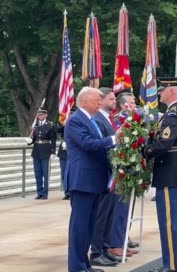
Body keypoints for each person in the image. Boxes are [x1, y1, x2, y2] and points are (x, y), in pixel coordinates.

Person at [142, 77, 177, 272]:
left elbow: (164, 144)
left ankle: (172, 266)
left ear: (171, 90)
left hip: (169, 169)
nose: (159, 93)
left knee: (170, 222)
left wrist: (143, 152)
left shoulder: (173, 114)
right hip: (176, 168)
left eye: (162, 89)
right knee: (176, 221)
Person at [64, 87, 116, 272]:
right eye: (97, 100)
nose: (100, 103)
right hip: (82, 181)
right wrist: (113, 139)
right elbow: (87, 144)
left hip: (94, 180)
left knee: (88, 226)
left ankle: (84, 264)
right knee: (79, 227)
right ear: (85, 101)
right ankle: (76, 267)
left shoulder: (91, 120)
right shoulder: (75, 120)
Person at [107, 89, 139, 261]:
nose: (135, 106)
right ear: (122, 105)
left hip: (130, 169)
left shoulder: (133, 120)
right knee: (118, 209)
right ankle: (115, 244)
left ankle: (122, 240)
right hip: (119, 169)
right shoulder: (116, 121)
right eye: (132, 103)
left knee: (125, 209)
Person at [89, 88, 119, 267]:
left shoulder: (109, 118)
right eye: (111, 98)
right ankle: (97, 251)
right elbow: (102, 145)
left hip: (113, 172)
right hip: (104, 173)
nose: (114, 101)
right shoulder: (98, 119)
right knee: (101, 215)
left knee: (109, 214)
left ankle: (106, 248)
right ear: (101, 100)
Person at [26, 107, 57, 200]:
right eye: (39, 115)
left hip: (46, 151)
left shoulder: (50, 125)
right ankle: (39, 192)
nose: (40, 116)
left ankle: (45, 193)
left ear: (46, 115)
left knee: (45, 173)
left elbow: (53, 139)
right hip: (36, 151)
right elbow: (34, 139)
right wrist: (29, 141)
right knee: (37, 173)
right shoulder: (35, 126)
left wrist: (53, 152)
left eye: (42, 114)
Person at [57, 122, 71, 200]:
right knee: (64, 173)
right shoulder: (64, 124)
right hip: (63, 151)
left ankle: (71, 192)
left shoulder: (77, 125)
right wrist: (63, 124)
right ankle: (67, 192)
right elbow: (57, 130)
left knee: (71, 173)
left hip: (72, 151)